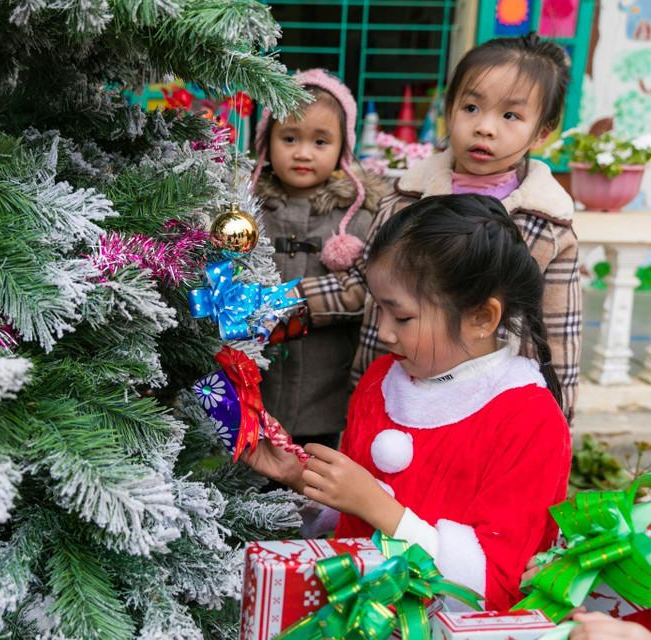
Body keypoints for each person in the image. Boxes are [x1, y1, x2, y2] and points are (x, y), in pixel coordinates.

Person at [243, 194, 573, 612]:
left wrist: (380, 509)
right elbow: (354, 511)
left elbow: (495, 587)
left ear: (481, 318)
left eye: (401, 317)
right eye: (377, 309)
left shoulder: (527, 419)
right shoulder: (382, 380)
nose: (383, 332)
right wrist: (300, 475)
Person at [303, 33, 581, 424]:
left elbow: (555, 336)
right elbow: (363, 286)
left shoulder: (546, 227)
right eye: (471, 107)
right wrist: (278, 304)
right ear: (447, 109)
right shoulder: (406, 200)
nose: (484, 127)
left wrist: (554, 427)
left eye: (510, 115)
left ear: (542, 132)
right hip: (388, 393)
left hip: (481, 415)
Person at [250, 69, 388, 448]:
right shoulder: (247, 212)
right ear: (265, 143)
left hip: (325, 390)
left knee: (316, 478)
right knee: (253, 482)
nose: (303, 152)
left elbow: (367, 290)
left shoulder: (359, 218)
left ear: (342, 149)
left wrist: (279, 305)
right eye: (289, 138)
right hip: (255, 387)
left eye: (320, 141)